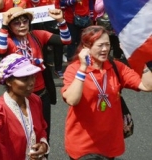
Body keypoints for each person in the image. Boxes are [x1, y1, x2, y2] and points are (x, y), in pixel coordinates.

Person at [62, 26, 152, 159]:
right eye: (100, 45)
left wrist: (139, 60)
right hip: (83, 143)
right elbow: (72, 100)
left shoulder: (116, 67)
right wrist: (82, 68)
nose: (105, 49)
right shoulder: (74, 69)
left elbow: (147, 86)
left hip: (109, 143)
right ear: (86, 46)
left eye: (107, 45)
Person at [0, 7, 71, 140]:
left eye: (25, 21)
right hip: (18, 95)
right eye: (16, 23)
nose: (22, 25)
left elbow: (66, 40)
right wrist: (4, 25)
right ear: (10, 26)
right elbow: (1, 50)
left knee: (43, 132)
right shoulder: (8, 40)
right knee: (21, 134)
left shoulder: (37, 35)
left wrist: (61, 20)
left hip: (41, 93)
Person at [0, 53, 50, 160]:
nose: (31, 82)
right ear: (9, 82)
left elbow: (42, 128)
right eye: (25, 79)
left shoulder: (35, 100)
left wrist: (43, 145)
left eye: (33, 77)